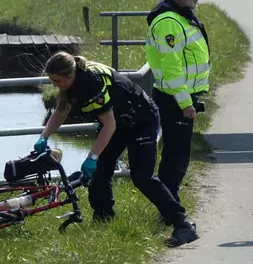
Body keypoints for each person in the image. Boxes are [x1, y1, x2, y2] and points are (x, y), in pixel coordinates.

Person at [36, 52, 199, 247]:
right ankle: (104, 220)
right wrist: (43, 137)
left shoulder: (91, 83)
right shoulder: (71, 84)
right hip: (120, 122)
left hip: (142, 120)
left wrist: (92, 156)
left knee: (142, 176)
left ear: (69, 75)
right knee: (100, 172)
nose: (54, 85)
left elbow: (109, 126)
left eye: (57, 80)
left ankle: (183, 223)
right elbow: (61, 111)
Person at [145, 0, 210, 218]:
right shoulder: (169, 22)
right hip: (175, 99)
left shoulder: (180, 17)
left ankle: (170, 205)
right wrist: (185, 103)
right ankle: (169, 210)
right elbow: (172, 67)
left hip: (181, 97)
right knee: (175, 157)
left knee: (177, 155)